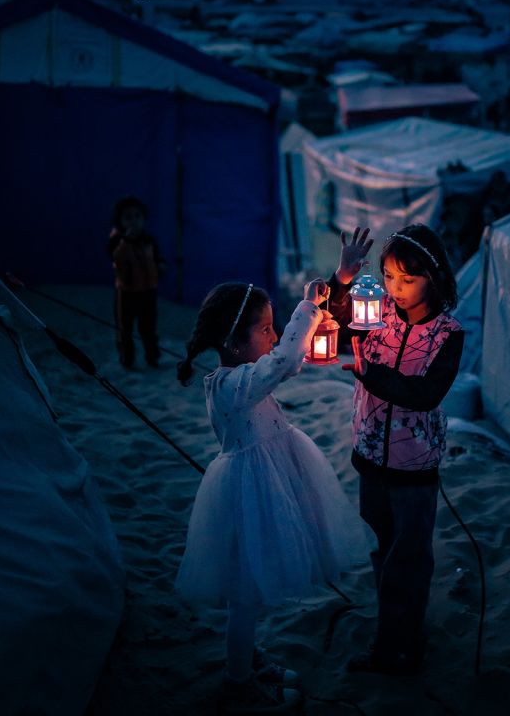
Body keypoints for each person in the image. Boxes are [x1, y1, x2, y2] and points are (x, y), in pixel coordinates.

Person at [175, 280, 367, 714]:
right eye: (265, 329)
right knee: (246, 594)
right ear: (233, 342)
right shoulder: (232, 386)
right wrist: (307, 306)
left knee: (252, 594)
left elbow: (288, 362)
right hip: (252, 495)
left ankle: (245, 660)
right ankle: (238, 679)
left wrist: (319, 301)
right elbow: (284, 361)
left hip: (268, 480)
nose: (275, 336)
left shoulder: (244, 377)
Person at [327, 224, 464, 675]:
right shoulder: (377, 310)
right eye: (388, 277)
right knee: (381, 550)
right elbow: (334, 314)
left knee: (408, 560)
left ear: (435, 276)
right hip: (370, 456)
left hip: (414, 467)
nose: (396, 289)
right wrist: (344, 277)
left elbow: (426, 393)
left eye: (409, 279)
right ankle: (393, 631)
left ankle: (400, 651)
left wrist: (371, 375)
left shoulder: (447, 333)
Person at [107, 196, 165, 368]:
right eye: (128, 217)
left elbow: (156, 257)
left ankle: (152, 357)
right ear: (120, 220)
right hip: (126, 293)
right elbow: (115, 257)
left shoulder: (148, 239)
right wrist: (126, 240)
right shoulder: (117, 240)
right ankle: (127, 359)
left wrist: (162, 265)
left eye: (138, 216)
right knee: (125, 328)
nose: (134, 221)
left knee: (149, 327)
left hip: (148, 291)